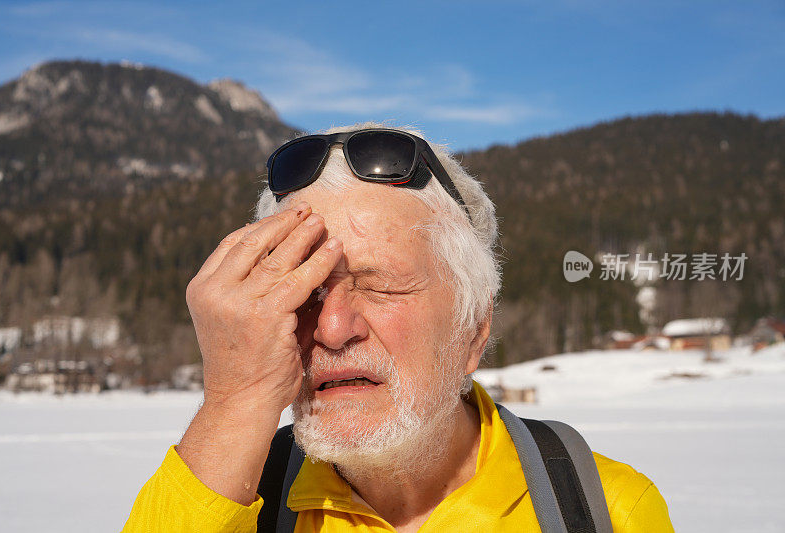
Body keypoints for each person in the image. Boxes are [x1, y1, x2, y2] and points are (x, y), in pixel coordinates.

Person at [123, 123, 674, 532]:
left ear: (474, 328)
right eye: (305, 293)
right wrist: (235, 400)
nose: (333, 329)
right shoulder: (239, 497)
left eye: (382, 286)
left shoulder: (597, 507)